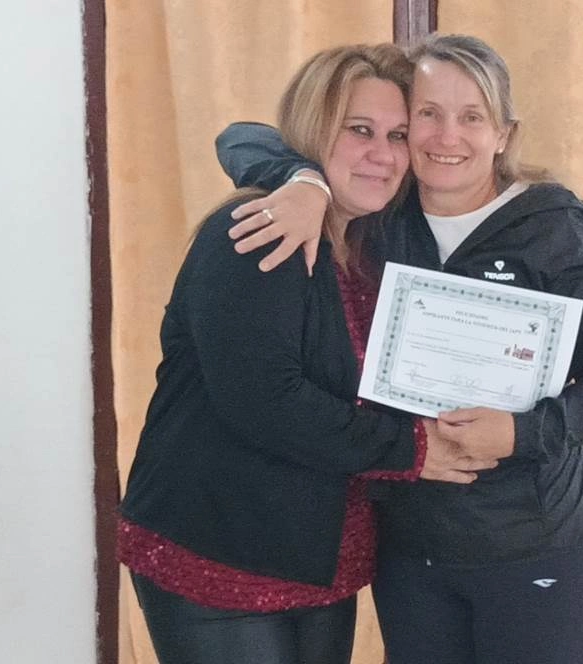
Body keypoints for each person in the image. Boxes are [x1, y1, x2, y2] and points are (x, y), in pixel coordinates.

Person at [215, 34, 583, 664]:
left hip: (537, 545)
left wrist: (520, 433)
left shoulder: (556, 227)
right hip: (410, 552)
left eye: (472, 116)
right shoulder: (379, 210)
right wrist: (304, 181)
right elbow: (240, 138)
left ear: (503, 134)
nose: (448, 136)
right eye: (428, 113)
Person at [117, 43, 501, 664]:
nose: (384, 154)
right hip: (219, 550)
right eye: (359, 130)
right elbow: (267, 402)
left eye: (398, 135)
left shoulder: (368, 239)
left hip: (318, 555)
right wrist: (414, 449)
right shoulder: (259, 230)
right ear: (313, 131)